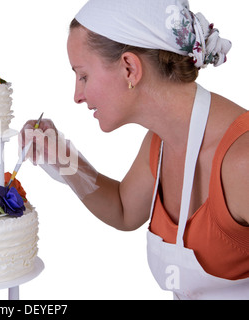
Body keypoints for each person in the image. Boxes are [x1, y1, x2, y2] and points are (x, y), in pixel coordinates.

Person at [21, 0, 249, 299]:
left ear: (129, 68)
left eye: (83, 75)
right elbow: (125, 210)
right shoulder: (160, 142)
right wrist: (63, 159)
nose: (77, 95)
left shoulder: (242, 162)